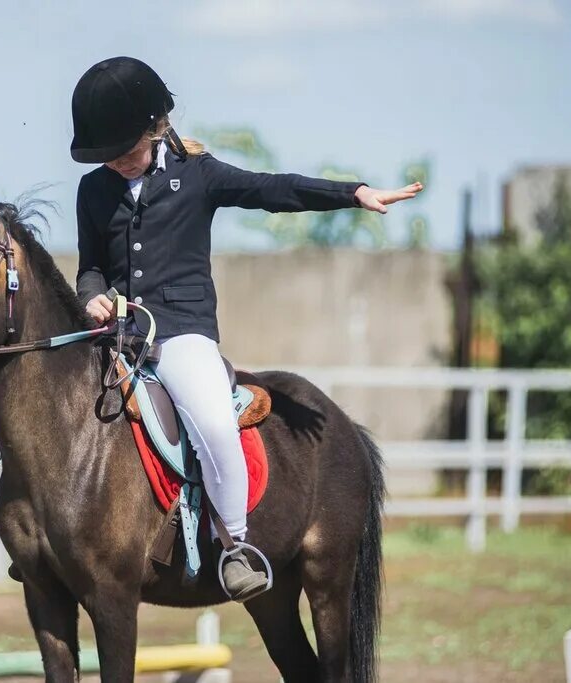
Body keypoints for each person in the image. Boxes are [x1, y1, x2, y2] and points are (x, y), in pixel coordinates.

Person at [71, 56, 422, 602]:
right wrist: (90, 294)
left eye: (126, 152)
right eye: (107, 156)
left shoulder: (198, 176)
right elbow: (90, 264)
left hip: (181, 334)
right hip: (118, 336)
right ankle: (51, 536)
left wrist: (351, 194)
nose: (116, 163)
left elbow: (272, 189)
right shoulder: (92, 191)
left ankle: (235, 543)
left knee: (212, 420)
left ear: (154, 127)